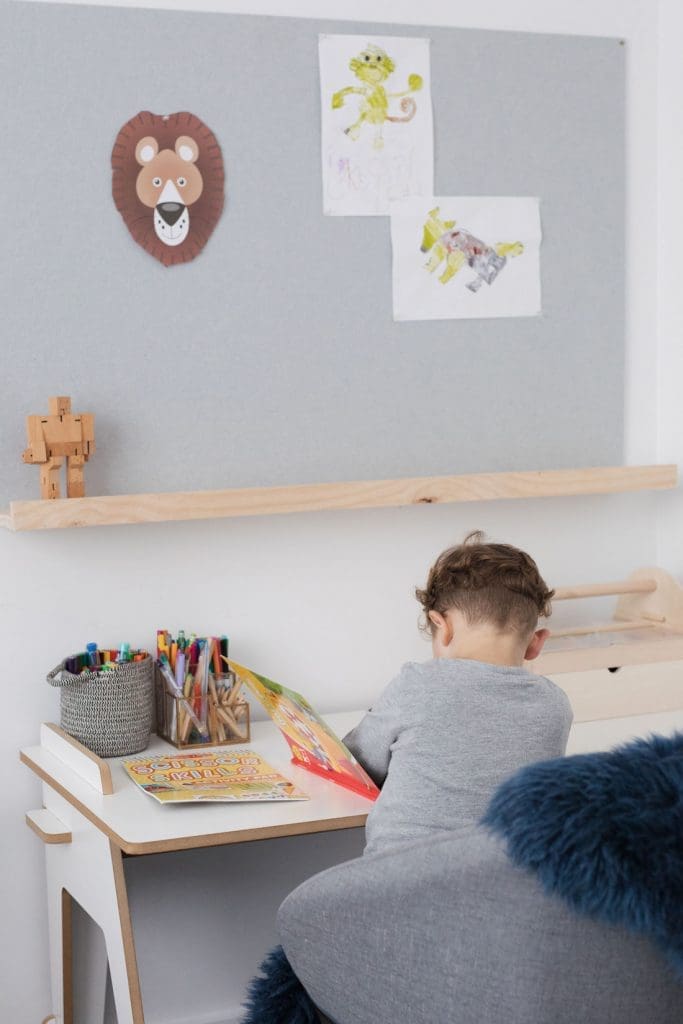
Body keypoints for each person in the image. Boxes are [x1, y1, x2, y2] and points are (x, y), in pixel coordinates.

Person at [343, 531, 573, 856]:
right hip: (507, 891)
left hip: (397, 884)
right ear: (536, 642)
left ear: (443, 626)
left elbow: (359, 762)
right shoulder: (555, 705)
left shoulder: (417, 684)